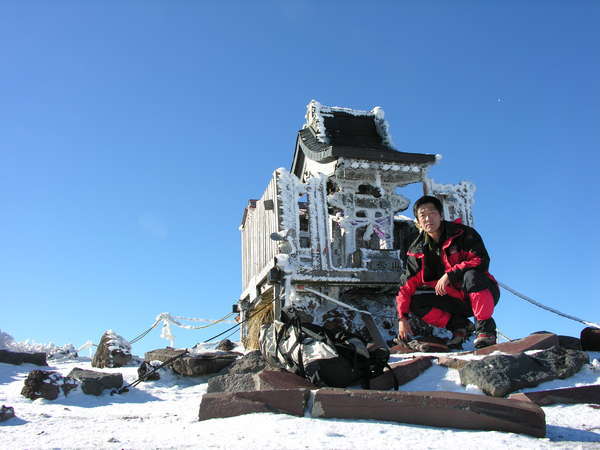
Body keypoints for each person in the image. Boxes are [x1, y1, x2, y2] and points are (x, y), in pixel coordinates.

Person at [396, 195, 500, 349]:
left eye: (432, 213)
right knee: (416, 301)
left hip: (482, 291)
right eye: (422, 215)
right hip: (453, 299)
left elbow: (480, 260)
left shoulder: (463, 234)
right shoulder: (417, 251)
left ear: (441, 215)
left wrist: (450, 275)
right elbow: (406, 287)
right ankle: (460, 326)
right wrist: (402, 319)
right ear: (418, 221)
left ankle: (486, 330)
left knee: (472, 275)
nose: (427, 219)